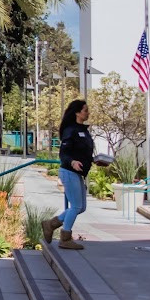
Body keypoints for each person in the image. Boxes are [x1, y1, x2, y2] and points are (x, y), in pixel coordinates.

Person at [46, 99, 94, 250]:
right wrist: (72, 161)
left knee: (81, 207)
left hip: (77, 173)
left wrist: (94, 160)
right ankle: (65, 238)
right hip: (69, 171)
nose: (88, 113)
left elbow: (83, 152)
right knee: (76, 206)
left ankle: (51, 224)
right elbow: (64, 153)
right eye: (85, 110)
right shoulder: (70, 130)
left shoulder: (83, 130)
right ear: (77, 112)